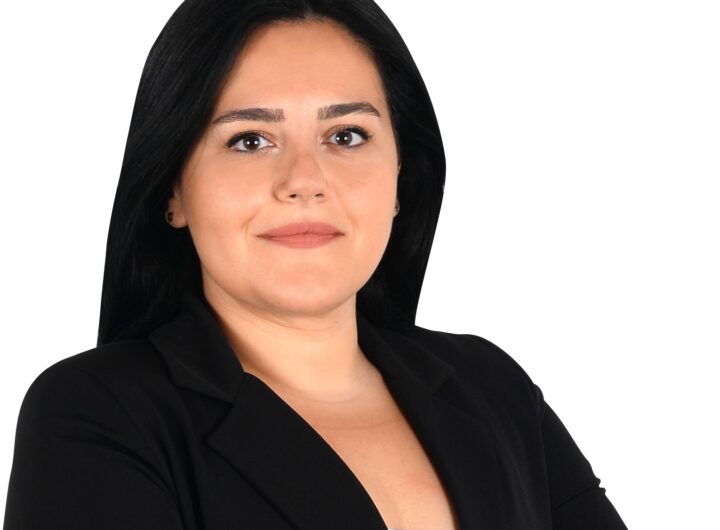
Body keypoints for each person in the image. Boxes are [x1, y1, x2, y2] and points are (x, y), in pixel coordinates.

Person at [3, 1, 628, 529]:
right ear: (174, 190)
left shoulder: (492, 387)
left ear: (402, 176)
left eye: (346, 136)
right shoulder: (97, 415)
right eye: (250, 140)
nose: (304, 180)